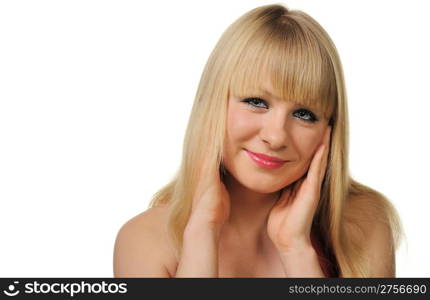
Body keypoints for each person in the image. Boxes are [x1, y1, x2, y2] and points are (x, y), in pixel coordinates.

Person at [113, 4, 403, 277]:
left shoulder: (361, 224)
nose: (276, 137)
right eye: (256, 102)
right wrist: (202, 234)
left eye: (304, 114)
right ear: (212, 104)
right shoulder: (145, 240)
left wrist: (296, 250)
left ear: (330, 128)